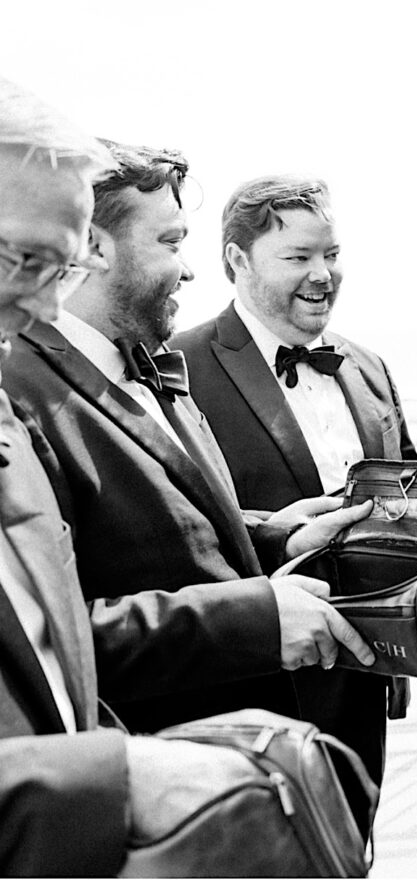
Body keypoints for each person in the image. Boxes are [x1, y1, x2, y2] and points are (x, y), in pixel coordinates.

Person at [0, 74, 303, 877]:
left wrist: (278, 535)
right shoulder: (28, 393)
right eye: (25, 259)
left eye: (51, 266)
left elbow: (51, 638)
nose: (40, 308)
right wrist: (126, 772)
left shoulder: (116, 372)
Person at [1, 140, 377, 741]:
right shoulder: (19, 395)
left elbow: (166, 537)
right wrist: (256, 621)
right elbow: (48, 637)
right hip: (157, 778)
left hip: (251, 753)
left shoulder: (150, 364)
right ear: (94, 246)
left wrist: (278, 533)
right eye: (170, 242)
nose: (190, 268)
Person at [172, 174, 417, 822]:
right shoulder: (178, 368)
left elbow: (411, 501)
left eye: (331, 255)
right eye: (298, 257)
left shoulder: (368, 366)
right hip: (248, 700)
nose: (322, 275)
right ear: (236, 260)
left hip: (363, 687)